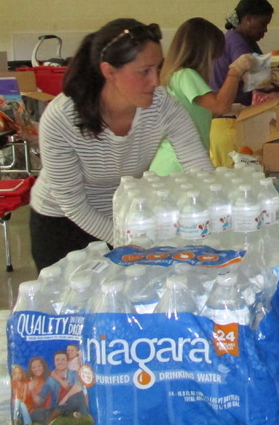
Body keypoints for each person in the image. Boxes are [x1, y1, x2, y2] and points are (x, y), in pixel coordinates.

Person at [29, 18, 213, 271]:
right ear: (109, 71)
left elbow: (197, 164)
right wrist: (129, 241)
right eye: (144, 71)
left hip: (124, 215)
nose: (156, 81)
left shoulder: (162, 105)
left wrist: (213, 213)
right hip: (63, 224)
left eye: (158, 69)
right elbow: (73, 203)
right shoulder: (63, 117)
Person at [150, 17, 254, 174]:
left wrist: (234, 108)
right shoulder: (186, 75)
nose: (212, 63)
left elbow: (197, 109)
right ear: (204, 52)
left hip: (175, 161)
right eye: (212, 57)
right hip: (177, 164)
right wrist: (235, 71)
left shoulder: (176, 75)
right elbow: (220, 105)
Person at [211, 0, 274, 106]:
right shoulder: (238, 43)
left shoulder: (241, 38)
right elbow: (257, 81)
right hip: (233, 109)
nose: (265, 30)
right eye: (263, 24)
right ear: (248, 19)